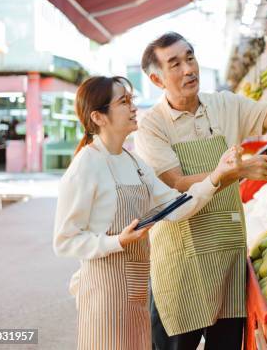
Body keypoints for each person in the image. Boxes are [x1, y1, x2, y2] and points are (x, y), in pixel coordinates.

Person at [135, 27, 267, 350]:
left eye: (190, 58)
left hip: (227, 265)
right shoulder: (152, 126)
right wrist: (238, 170)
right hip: (182, 269)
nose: (189, 69)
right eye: (175, 64)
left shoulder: (224, 105)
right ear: (157, 80)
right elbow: (177, 185)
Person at [53, 76, 241, 350]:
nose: (133, 107)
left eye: (131, 100)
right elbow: (64, 240)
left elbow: (176, 207)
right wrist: (117, 241)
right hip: (104, 296)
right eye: (123, 102)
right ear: (99, 116)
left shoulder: (134, 162)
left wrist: (216, 177)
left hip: (137, 293)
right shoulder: (85, 165)